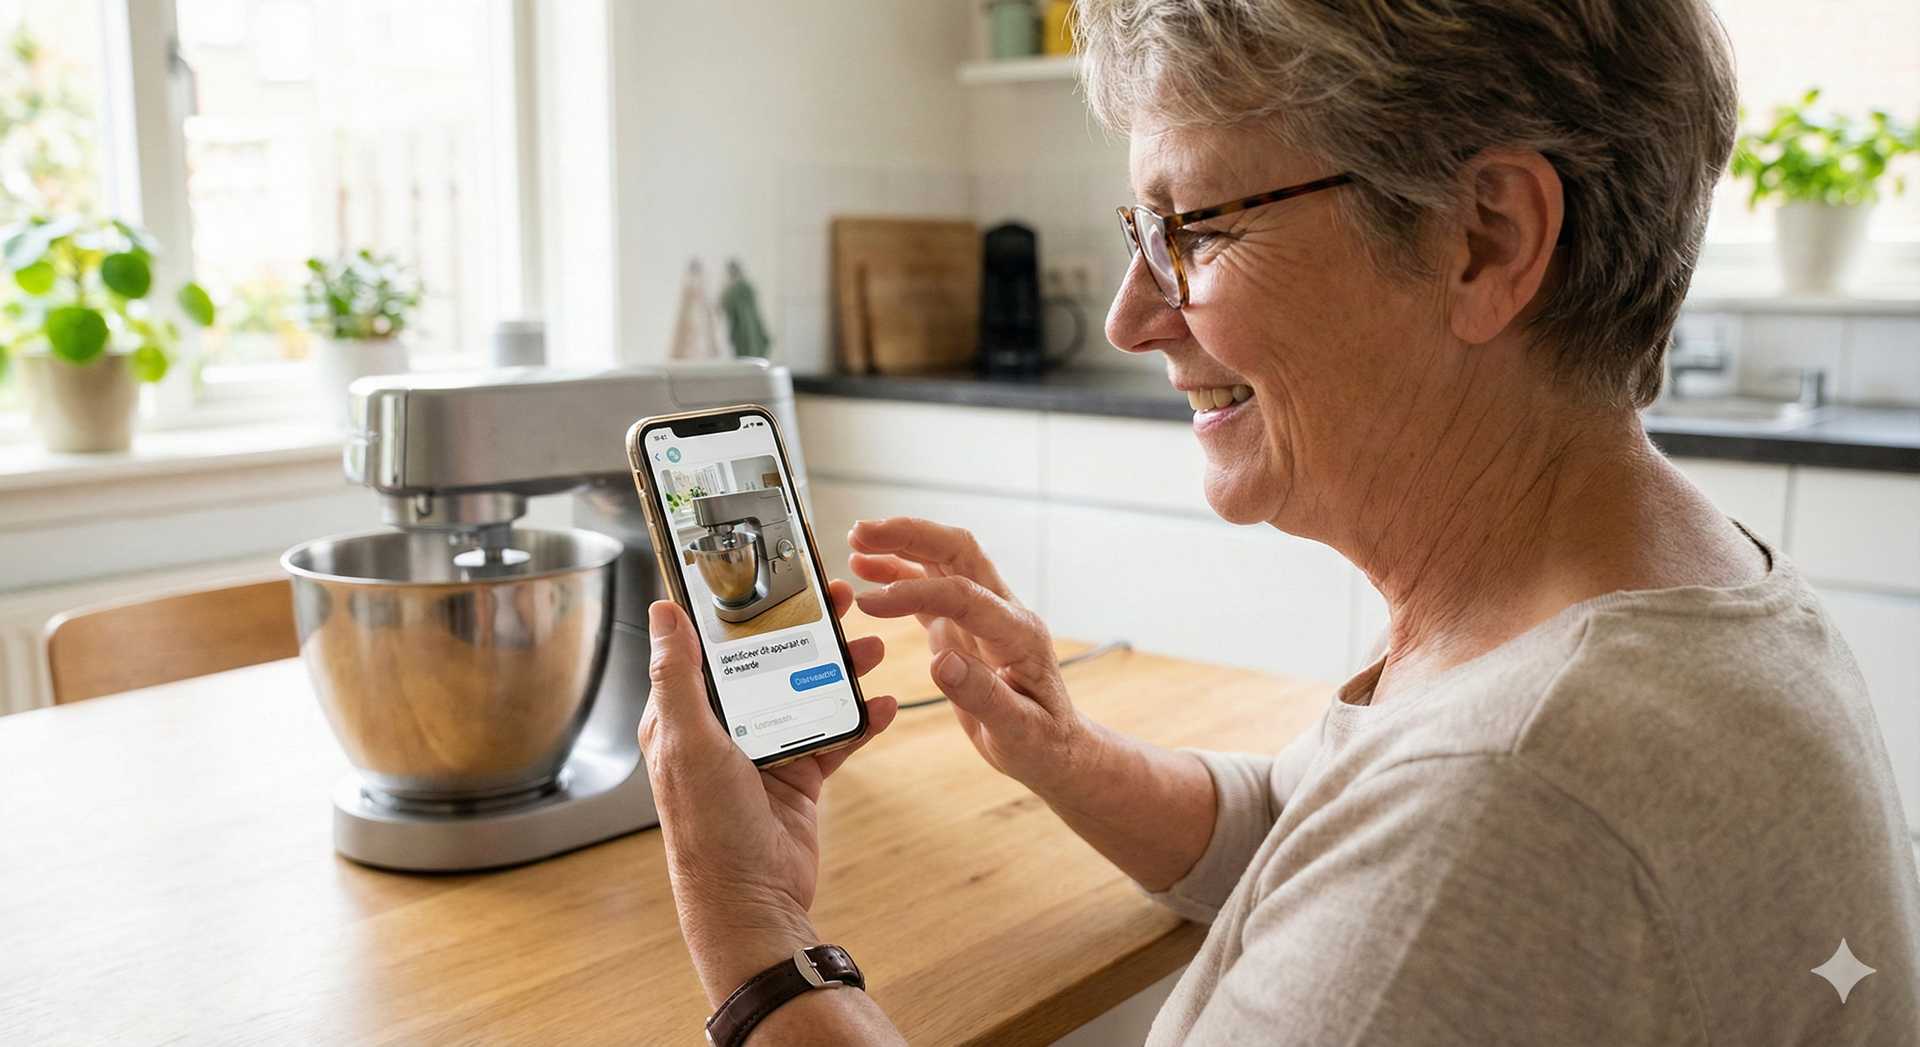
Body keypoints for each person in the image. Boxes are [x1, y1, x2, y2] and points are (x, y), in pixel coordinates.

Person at [638, 0, 1920, 1042]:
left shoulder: (1505, 808)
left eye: (1192, 225)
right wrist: (1064, 751)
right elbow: (1307, 830)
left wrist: (753, 924)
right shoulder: (1671, 589)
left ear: (1486, 238)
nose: (1130, 317)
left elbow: (1424, 855)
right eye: (1142, 230)